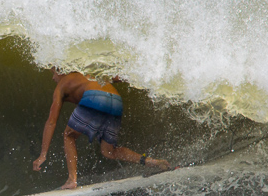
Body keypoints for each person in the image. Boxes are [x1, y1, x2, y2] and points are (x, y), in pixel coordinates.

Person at [33, 68, 170, 189]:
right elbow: (115, 78)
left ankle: (72, 179)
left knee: (69, 135)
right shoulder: (87, 74)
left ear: (62, 70)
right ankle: (153, 162)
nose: (53, 77)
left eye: (54, 73)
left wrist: (43, 154)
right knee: (109, 151)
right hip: (115, 100)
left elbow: (51, 122)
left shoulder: (62, 85)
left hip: (94, 98)